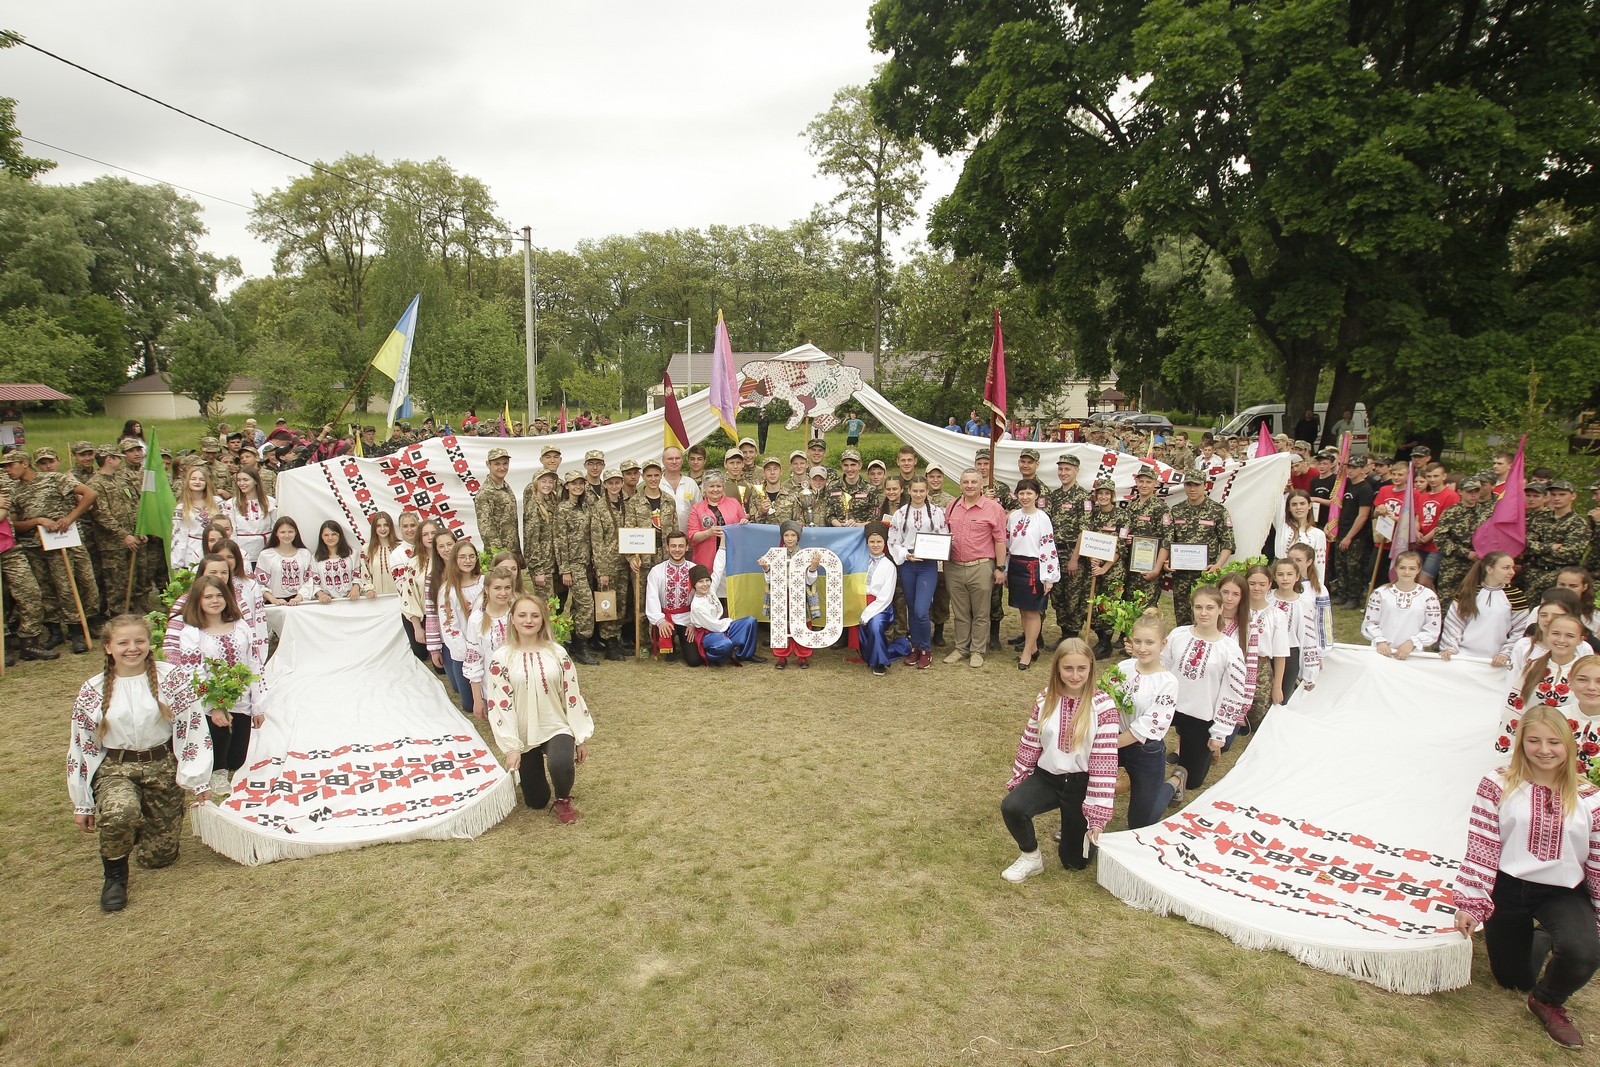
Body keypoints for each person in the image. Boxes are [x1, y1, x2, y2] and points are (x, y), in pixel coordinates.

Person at [1451, 706, 1600, 1050]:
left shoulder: (1590, 798)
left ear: (1568, 745)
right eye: (1534, 740)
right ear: (1521, 744)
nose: (1544, 749)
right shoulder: (1497, 784)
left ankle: (1547, 1001)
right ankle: (1545, 936)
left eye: (1553, 742)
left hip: (1564, 891)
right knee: (1513, 980)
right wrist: (1472, 904)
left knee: (1584, 953)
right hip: (1510, 888)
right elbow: (1482, 845)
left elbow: (1596, 858)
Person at [68, 614, 213, 912]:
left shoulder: (172, 678)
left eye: (139, 641)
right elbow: (82, 745)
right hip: (116, 768)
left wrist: (198, 780)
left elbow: (193, 728)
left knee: (158, 859)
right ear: (108, 647)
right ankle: (115, 876)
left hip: (161, 766)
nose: (132, 648)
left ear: (149, 643)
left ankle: (136, 827)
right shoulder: (92, 689)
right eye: (123, 643)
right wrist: (82, 802)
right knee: (121, 811)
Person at [998, 638, 1121, 882]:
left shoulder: (1104, 706)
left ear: (1090, 668)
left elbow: (1104, 764)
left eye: (1081, 669)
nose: (1075, 675)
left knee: (1074, 863)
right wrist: (1020, 777)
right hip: (1048, 778)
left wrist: (1097, 815)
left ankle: (1081, 828)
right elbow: (1031, 741)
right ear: (1057, 669)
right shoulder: (1045, 699)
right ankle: (1031, 857)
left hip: (1081, 784)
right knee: (1012, 807)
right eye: (1068, 669)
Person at [484, 593, 594, 823]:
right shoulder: (502, 658)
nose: (528, 620)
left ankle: (563, 799)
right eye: (522, 615)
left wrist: (580, 736)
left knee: (561, 764)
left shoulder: (557, 653)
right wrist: (512, 746)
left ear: (542, 620)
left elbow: (571, 695)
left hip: (556, 725)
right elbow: (500, 706)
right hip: (524, 732)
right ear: (512, 619)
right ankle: (536, 784)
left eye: (535, 615)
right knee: (536, 801)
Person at [172, 575, 266, 796]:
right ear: (198, 601)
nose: (215, 601)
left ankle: (233, 778)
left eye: (219, 595)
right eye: (208, 597)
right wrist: (214, 704)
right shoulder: (192, 633)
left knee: (238, 756)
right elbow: (193, 673)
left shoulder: (241, 626)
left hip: (241, 698)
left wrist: (258, 704)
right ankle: (215, 777)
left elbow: (253, 664)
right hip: (210, 702)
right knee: (219, 745)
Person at [1161, 586, 1251, 792]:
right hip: (1168, 707)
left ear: (1220, 609)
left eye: (1210, 607)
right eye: (1198, 607)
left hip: (1201, 715)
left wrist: (1220, 732)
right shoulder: (1178, 635)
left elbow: (1233, 693)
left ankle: (1204, 753)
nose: (1203, 613)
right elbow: (1161, 668)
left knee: (1192, 782)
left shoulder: (1229, 649)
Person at [1112, 615, 1185, 828]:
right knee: (1087, 781)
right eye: (1138, 641)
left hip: (1146, 750)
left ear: (1162, 644)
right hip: (1116, 740)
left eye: (1149, 642)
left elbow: (1147, 725)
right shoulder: (1123, 667)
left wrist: (1108, 743)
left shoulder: (1167, 682)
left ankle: (1174, 782)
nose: (1142, 648)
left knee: (1140, 822)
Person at [943, 468, 1008, 669]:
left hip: (981, 566)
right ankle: (961, 647)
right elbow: (943, 533)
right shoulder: (952, 506)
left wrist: (1000, 567)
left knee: (981, 612)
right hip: (954, 566)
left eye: (974, 482)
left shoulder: (993, 508)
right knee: (960, 611)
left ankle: (977, 650)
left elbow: (1000, 540)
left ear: (982, 485)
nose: (969, 486)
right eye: (965, 482)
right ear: (960, 484)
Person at [886, 477, 948, 671]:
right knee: (912, 608)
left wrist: (935, 553)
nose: (919, 495)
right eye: (915, 491)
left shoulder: (937, 512)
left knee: (922, 610)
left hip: (927, 565)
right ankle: (915, 646)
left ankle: (926, 649)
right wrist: (906, 554)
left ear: (927, 491)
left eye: (922, 491)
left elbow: (943, 536)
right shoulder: (901, 513)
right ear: (909, 491)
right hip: (908, 565)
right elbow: (893, 540)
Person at [1167, 471, 1235, 627]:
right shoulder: (1176, 510)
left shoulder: (1218, 510)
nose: (1192, 488)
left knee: (1206, 616)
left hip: (1206, 575)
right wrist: (1167, 562)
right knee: (1183, 617)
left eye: (1196, 485)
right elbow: (1169, 542)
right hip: (1181, 575)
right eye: (1188, 484)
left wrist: (1218, 565)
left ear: (1205, 486)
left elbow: (1228, 543)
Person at [1005, 478, 1059, 669]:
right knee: (1022, 610)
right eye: (1021, 493)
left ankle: (1027, 652)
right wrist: (1005, 568)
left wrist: (1048, 577)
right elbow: (1007, 545)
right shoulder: (1013, 516)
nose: (1025, 497)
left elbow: (1048, 547)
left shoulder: (1042, 518)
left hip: (1034, 568)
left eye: (1029, 493)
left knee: (1033, 611)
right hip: (1016, 567)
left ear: (1037, 495)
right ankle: (1033, 646)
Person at [1438, 553, 1529, 665]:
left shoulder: (1516, 596)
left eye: (1512, 567)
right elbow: (1454, 623)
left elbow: (1520, 630)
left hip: (1496, 661)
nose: (1512, 572)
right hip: (1462, 656)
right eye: (1506, 568)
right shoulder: (1468, 592)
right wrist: (1450, 648)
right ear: (1489, 569)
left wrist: (1505, 654)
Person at [759, 521, 820, 670]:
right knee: (780, 624)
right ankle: (781, 656)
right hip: (781, 594)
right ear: (782, 537)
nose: (790, 538)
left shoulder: (806, 555)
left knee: (802, 624)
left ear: (798, 537)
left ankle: (802, 655)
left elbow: (810, 580)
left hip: (799, 595)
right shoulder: (774, 554)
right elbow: (770, 579)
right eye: (786, 535)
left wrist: (813, 567)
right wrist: (766, 568)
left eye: (793, 535)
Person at [434, 537, 486, 708]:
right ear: (455, 559)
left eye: (471, 556)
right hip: (464, 653)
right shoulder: (447, 590)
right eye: (462, 557)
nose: (468, 561)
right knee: (469, 705)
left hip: (487, 646)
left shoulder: (485, 583)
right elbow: (450, 628)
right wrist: (469, 653)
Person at [554, 470, 600, 666]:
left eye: (581, 484)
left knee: (578, 605)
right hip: (573, 565)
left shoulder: (586, 507)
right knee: (587, 604)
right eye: (574, 484)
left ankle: (574, 642)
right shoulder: (563, 509)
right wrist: (565, 569)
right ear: (567, 486)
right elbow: (560, 541)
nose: (578, 487)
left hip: (587, 563)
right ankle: (582, 644)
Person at [1360, 550, 1441, 657]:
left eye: (1412, 568)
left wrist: (1412, 643)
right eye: (1402, 567)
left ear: (1419, 570)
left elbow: (1432, 629)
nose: (1407, 572)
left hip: (1411, 655)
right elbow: (1370, 623)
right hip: (1382, 652)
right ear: (1396, 568)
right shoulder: (1380, 593)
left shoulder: (1429, 597)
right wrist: (1380, 641)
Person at [589, 468, 632, 661]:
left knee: (622, 603)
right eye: (610, 483)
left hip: (625, 562)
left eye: (617, 482)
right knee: (608, 603)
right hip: (608, 563)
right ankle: (609, 642)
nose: (614, 486)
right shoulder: (599, 508)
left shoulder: (628, 504)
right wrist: (602, 571)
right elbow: (596, 542)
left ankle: (617, 638)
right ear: (605, 485)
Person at [464, 568, 517, 719]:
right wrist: (477, 699)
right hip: (493, 683)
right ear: (487, 590)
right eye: (497, 588)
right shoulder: (477, 620)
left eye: (507, 588)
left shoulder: (517, 613)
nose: (503, 593)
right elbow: (473, 659)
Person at [644, 531, 702, 666]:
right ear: (667, 548)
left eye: (681, 546)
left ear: (687, 547)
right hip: (666, 618)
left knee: (694, 661)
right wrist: (659, 621)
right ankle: (670, 648)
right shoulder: (656, 571)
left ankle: (684, 643)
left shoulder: (694, 569)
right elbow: (652, 597)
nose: (677, 550)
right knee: (669, 652)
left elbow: (701, 599)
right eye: (673, 546)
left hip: (688, 618)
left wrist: (694, 622)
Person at [687, 564, 763, 666]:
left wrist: (723, 549)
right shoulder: (697, 606)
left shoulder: (711, 590)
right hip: (710, 634)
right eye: (700, 581)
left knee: (750, 621)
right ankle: (713, 657)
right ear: (694, 585)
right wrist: (729, 621)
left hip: (722, 626)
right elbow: (714, 626)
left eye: (707, 580)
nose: (705, 584)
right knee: (726, 644)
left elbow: (718, 571)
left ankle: (745, 654)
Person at [1268, 557, 1320, 702]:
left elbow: (1309, 637)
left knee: (1282, 699)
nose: (1285, 578)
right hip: (1267, 652)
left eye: (1289, 574)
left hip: (1290, 653)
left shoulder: (1304, 603)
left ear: (1297, 577)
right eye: (1280, 574)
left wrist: (1309, 673)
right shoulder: (1267, 599)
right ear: (1274, 577)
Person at [858, 523, 906, 677]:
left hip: (881, 607)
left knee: (875, 624)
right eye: (872, 542)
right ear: (867, 543)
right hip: (860, 602)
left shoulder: (889, 566)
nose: (875, 545)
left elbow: (885, 597)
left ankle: (879, 663)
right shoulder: (861, 562)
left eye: (879, 542)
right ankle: (871, 653)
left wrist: (867, 613)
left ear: (884, 543)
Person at [685, 471, 746, 575]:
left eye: (719, 486)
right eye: (711, 486)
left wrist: (744, 522)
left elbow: (744, 528)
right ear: (704, 488)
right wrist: (709, 532)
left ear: (723, 488)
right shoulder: (696, 508)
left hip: (731, 557)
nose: (715, 489)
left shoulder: (734, 503)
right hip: (706, 560)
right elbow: (692, 536)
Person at [1274, 489, 1327, 590]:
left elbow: (1319, 565)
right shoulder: (1282, 526)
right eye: (1294, 504)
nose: (1298, 507)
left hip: (1304, 583)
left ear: (1309, 505)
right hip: (1280, 579)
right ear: (1289, 508)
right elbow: (1275, 500)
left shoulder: (1318, 534)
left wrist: (1319, 589)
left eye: (1302, 503)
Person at [222, 469, 275, 569]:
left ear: (255, 481)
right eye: (239, 480)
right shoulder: (232, 504)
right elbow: (230, 530)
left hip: (265, 550)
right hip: (242, 551)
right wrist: (235, 552)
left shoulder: (269, 502)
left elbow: (275, 527)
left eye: (245, 480)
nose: (241, 483)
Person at [254, 517, 312, 605]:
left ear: (296, 532)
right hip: (275, 604)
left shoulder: (305, 554)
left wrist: (298, 598)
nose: (287, 535)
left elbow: (309, 580)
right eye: (282, 532)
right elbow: (258, 583)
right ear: (276, 533)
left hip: (300, 602)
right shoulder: (266, 555)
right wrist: (273, 600)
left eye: (290, 532)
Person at [476, 446, 521, 557]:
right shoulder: (485, 492)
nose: (502, 467)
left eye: (505, 463)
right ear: (488, 465)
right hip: (498, 556)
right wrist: (499, 555)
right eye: (497, 464)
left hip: (512, 552)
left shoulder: (505, 487)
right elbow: (486, 529)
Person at [309, 520, 363, 602]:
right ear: (321, 537)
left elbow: (358, 576)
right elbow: (314, 583)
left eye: (333, 534)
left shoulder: (352, 554)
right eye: (326, 535)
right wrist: (321, 595)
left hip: (351, 601)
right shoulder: (315, 558)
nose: (330, 538)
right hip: (327, 603)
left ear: (340, 535)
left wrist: (356, 588)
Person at [359, 511, 403, 598]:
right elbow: (365, 572)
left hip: (400, 598)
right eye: (378, 526)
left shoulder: (400, 547)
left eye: (386, 525)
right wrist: (369, 589)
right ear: (374, 528)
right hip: (376, 599)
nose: (383, 529)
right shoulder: (366, 549)